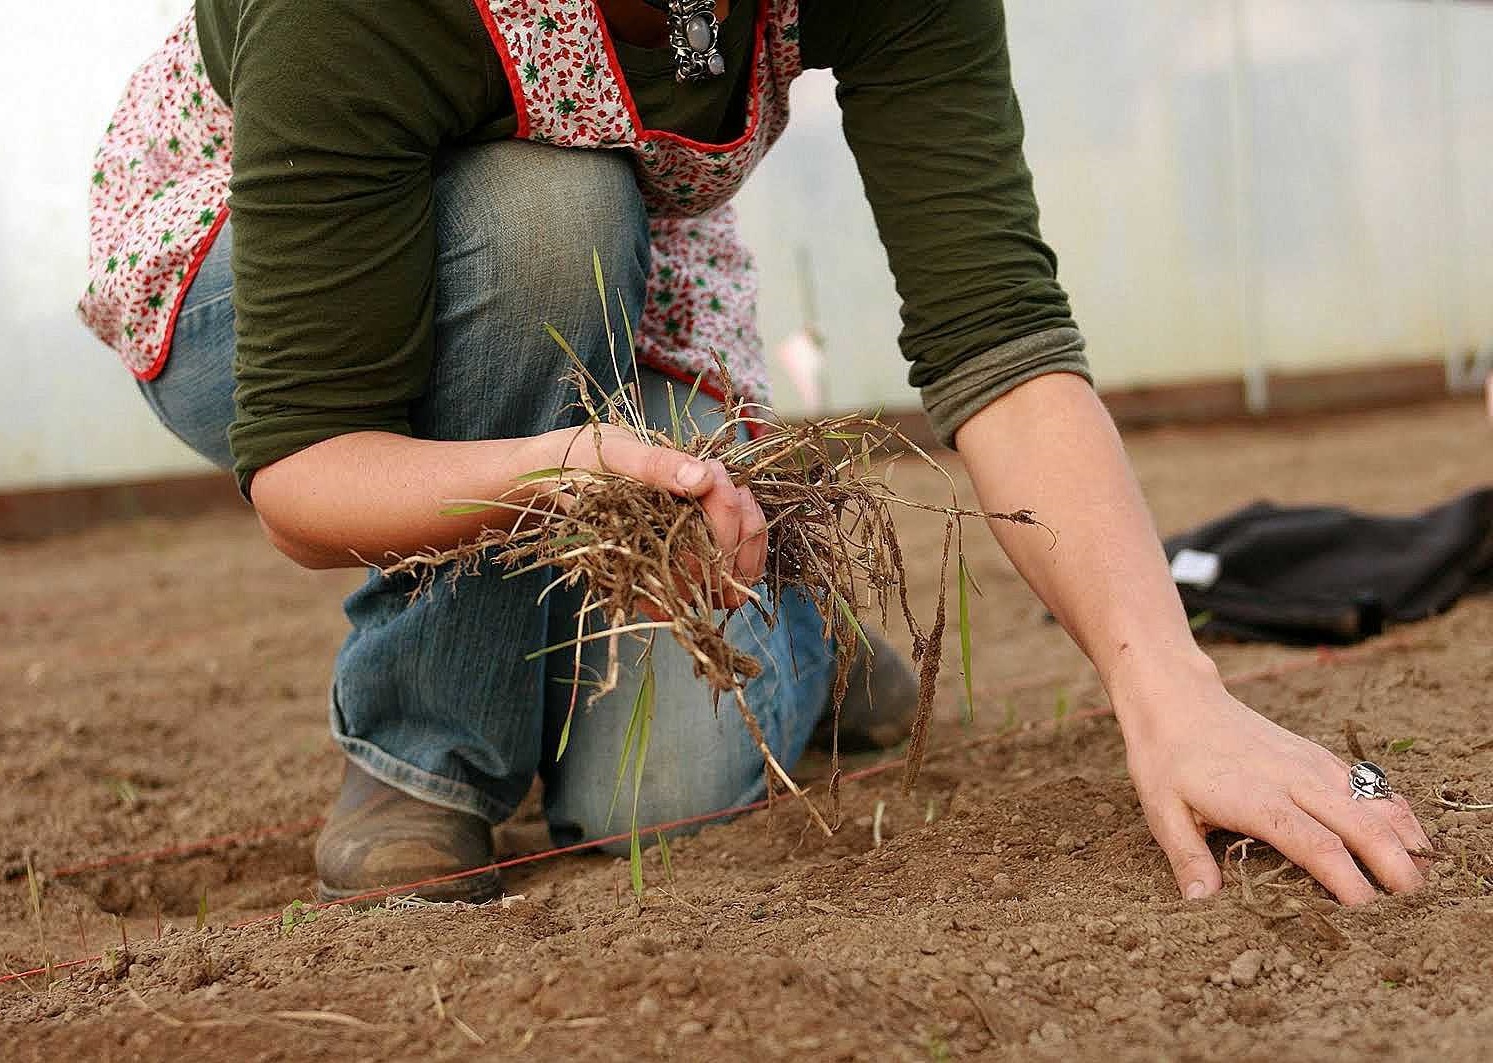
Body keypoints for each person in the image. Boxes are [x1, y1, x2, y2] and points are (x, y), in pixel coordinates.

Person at [80, 0, 1431, 907]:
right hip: (257, 290)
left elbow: (997, 338)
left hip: (619, 280)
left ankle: (803, 622)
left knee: (661, 792)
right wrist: (564, 473)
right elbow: (310, 470)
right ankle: (427, 752)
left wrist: (1173, 692)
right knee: (546, 206)